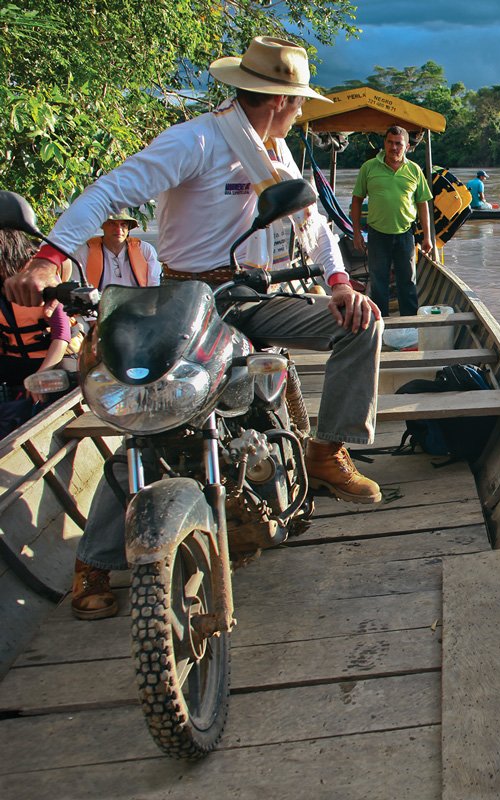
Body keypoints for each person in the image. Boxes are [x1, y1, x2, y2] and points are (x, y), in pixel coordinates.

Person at [4, 36, 386, 620]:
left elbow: (316, 228)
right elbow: (112, 191)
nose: (302, 111)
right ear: (281, 101)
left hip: (250, 294)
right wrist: (50, 258)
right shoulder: (198, 140)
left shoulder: (276, 154)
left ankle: (325, 450)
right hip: (184, 297)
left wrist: (338, 284)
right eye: (299, 101)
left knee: (362, 324)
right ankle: (94, 560)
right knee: (150, 416)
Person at [350, 125, 434, 317]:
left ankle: (410, 324)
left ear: (406, 147)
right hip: (377, 234)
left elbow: (423, 205)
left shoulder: (414, 170)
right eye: (390, 142)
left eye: (398, 144)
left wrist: (427, 237)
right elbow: (356, 201)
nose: (394, 147)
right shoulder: (369, 167)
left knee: (408, 282)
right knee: (378, 282)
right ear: (384, 143)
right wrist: (356, 234)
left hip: (405, 234)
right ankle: (381, 323)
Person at [0, 230, 71, 438]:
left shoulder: (38, 276)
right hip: (11, 363)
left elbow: (62, 334)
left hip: (47, 363)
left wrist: (41, 376)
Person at [72, 209, 162, 289]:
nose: (119, 230)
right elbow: (79, 287)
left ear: (128, 228)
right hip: (98, 305)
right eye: (112, 224)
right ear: (102, 225)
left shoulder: (146, 250)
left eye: (123, 225)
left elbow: (154, 287)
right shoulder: (85, 252)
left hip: (138, 304)